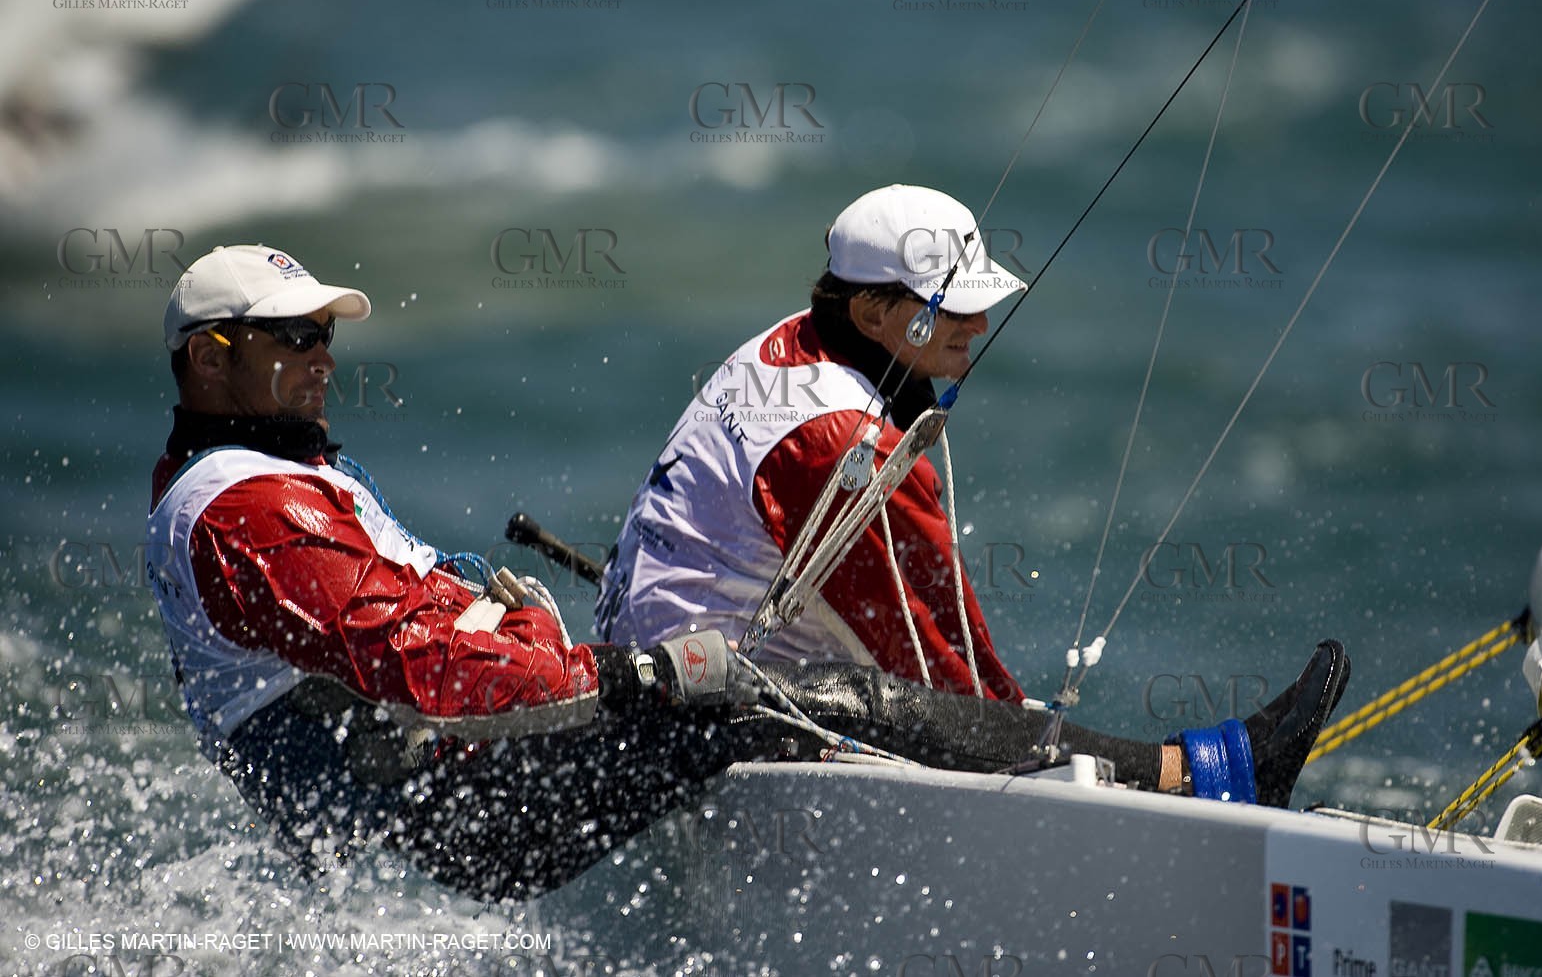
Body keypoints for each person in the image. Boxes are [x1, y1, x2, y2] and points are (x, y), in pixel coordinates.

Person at [146, 243, 1350, 901]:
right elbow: (421, 664)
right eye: (292, 338)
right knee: (783, 697)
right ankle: (1188, 776)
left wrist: (561, 644)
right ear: (209, 358)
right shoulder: (246, 507)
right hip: (454, 820)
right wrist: (638, 674)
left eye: (325, 334)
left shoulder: (252, 473)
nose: (322, 357)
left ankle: (1067, 771)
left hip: (447, 792)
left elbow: (412, 641)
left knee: (758, 694)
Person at [597, 184, 1032, 698]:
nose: (980, 324)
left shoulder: (794, 339)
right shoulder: (845, 447)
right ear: (871, 315)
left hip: (634, 642)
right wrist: (1038, 738)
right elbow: (949, 676)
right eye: (955, 309)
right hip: (689, 702)